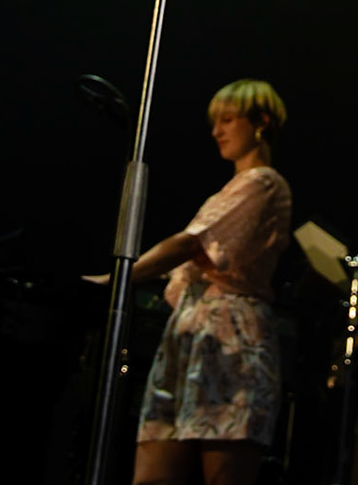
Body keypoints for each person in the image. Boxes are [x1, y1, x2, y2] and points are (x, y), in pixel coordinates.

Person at [87, 79, 292, 485]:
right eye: (215, 122)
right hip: (187, 336)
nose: (217, 131)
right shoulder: (228, 190)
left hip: (231, 341)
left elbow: (190, 243)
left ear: (261, 122)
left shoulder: (263, 183)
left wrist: (118, 278)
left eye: (228, 120)